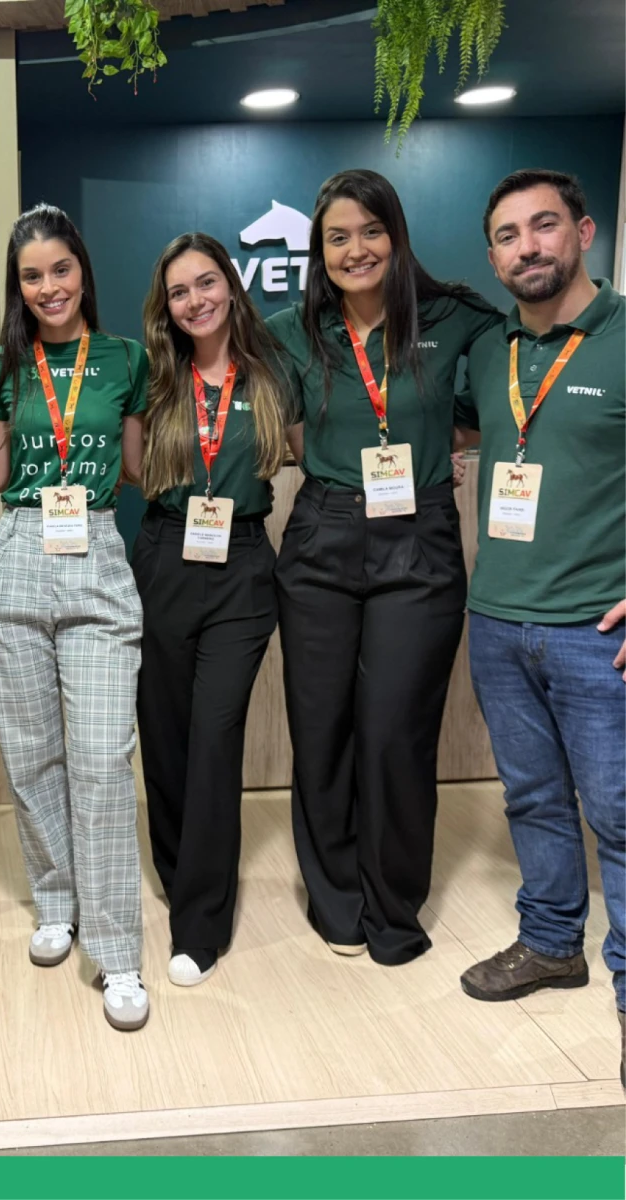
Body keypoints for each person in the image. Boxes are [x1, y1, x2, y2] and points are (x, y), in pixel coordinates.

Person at [267, 169, 500, 966]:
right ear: (319, 250)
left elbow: (498, 404)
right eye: (338, 237)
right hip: (323, 535)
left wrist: (438, 445)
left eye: (371, 231)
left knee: (396, 730)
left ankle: (392, 907)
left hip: (419, 538)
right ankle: (336, 902)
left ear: (396, 236)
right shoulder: (293, 331)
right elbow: (277, 424)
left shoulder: (455, 316)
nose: (356, 249)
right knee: (321, 727)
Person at [452, 169, 624, 1084]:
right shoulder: (492, 350)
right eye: (509, 236)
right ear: (492, 258)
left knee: (620, 815)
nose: (529, 247)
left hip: (597, 631)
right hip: (498, 622)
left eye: (545, 225)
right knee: (532, 798)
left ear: (583, 232)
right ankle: (553, 942)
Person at [0, 204, 150, 1031]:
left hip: (98, 552)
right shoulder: (3, 366)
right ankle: (56, 901)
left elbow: (138, 466)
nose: (48, 287)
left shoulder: (126, 359)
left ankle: (116, 950)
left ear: (83, 270)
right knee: (33, 755)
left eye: (60, 269)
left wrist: (236, 463)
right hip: (16, 551)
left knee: (103, 761)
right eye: (32, 276)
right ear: (19, 286)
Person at [133, 233, 290, 987]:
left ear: (231, 284)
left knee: (215, 737)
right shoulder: (154, 378)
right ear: (165, 307)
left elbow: (314, 444)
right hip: (165, 555)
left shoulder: (273, 373)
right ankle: (179, 871)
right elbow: (129, 468)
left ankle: (198, 926)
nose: (195, 300)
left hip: (243, 566)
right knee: (165, 737)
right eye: (179, 292)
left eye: (206, 283)